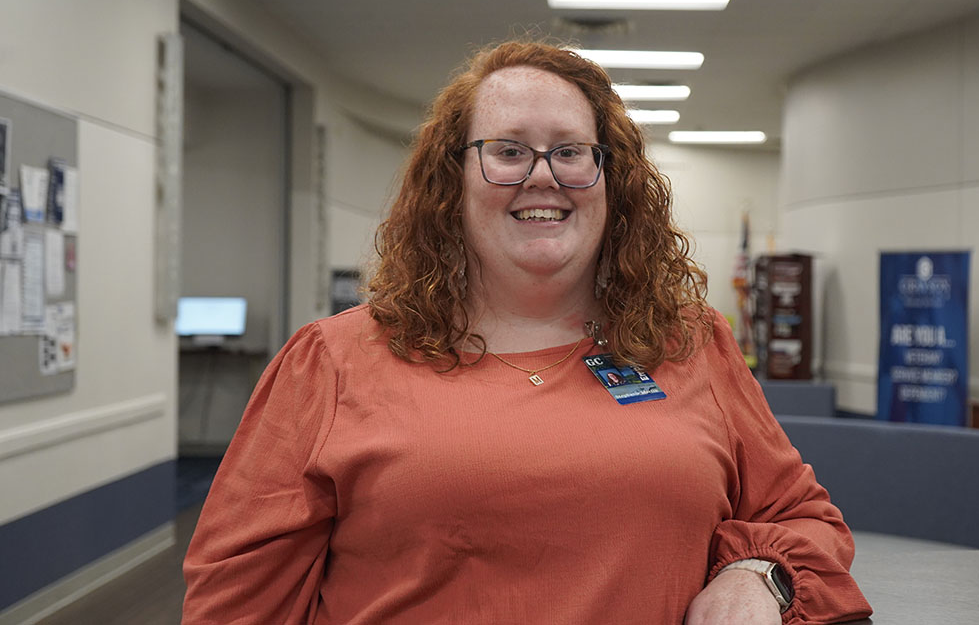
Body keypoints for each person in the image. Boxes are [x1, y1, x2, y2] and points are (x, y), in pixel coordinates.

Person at [181, 41, 872, 625]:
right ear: (451, 181)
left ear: (612, 179)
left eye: (571, 152)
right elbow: (235, 604)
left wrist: (757, 574)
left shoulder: (690, 344)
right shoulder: (331, 363)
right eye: (507, 151)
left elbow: (806, 519)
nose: (543, 177)